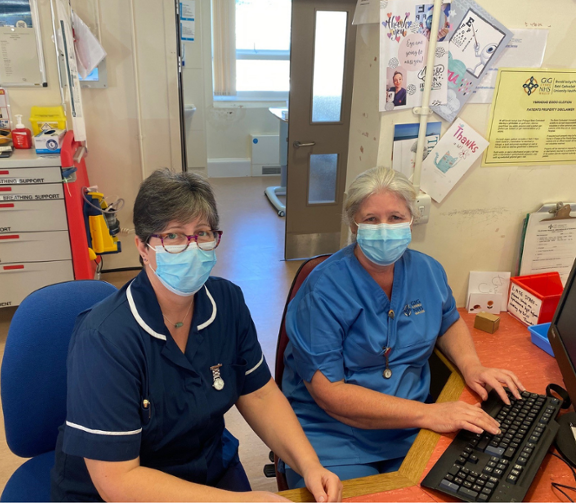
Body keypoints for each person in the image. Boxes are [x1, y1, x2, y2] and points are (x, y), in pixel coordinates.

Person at [51, 169, 341, 502]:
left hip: (205, 468)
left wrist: (309, 465)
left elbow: (259, 394)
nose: (191, 247)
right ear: (143, 247)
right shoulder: (105, 337)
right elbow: (116, 481)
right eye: (173, 236)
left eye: (202, 233)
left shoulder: (227, 302)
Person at [281, 167, 524, 488]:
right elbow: (330, 394)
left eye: (396, 217)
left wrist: (472, 366)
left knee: (478, 481)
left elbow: (448, 322)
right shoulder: (323, 289)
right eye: (371, 219)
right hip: (334, 436)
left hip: (411, 431)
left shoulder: (427, 270)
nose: (385, 228)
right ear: (353, 224)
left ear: (412, 219)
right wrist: (430, 414)